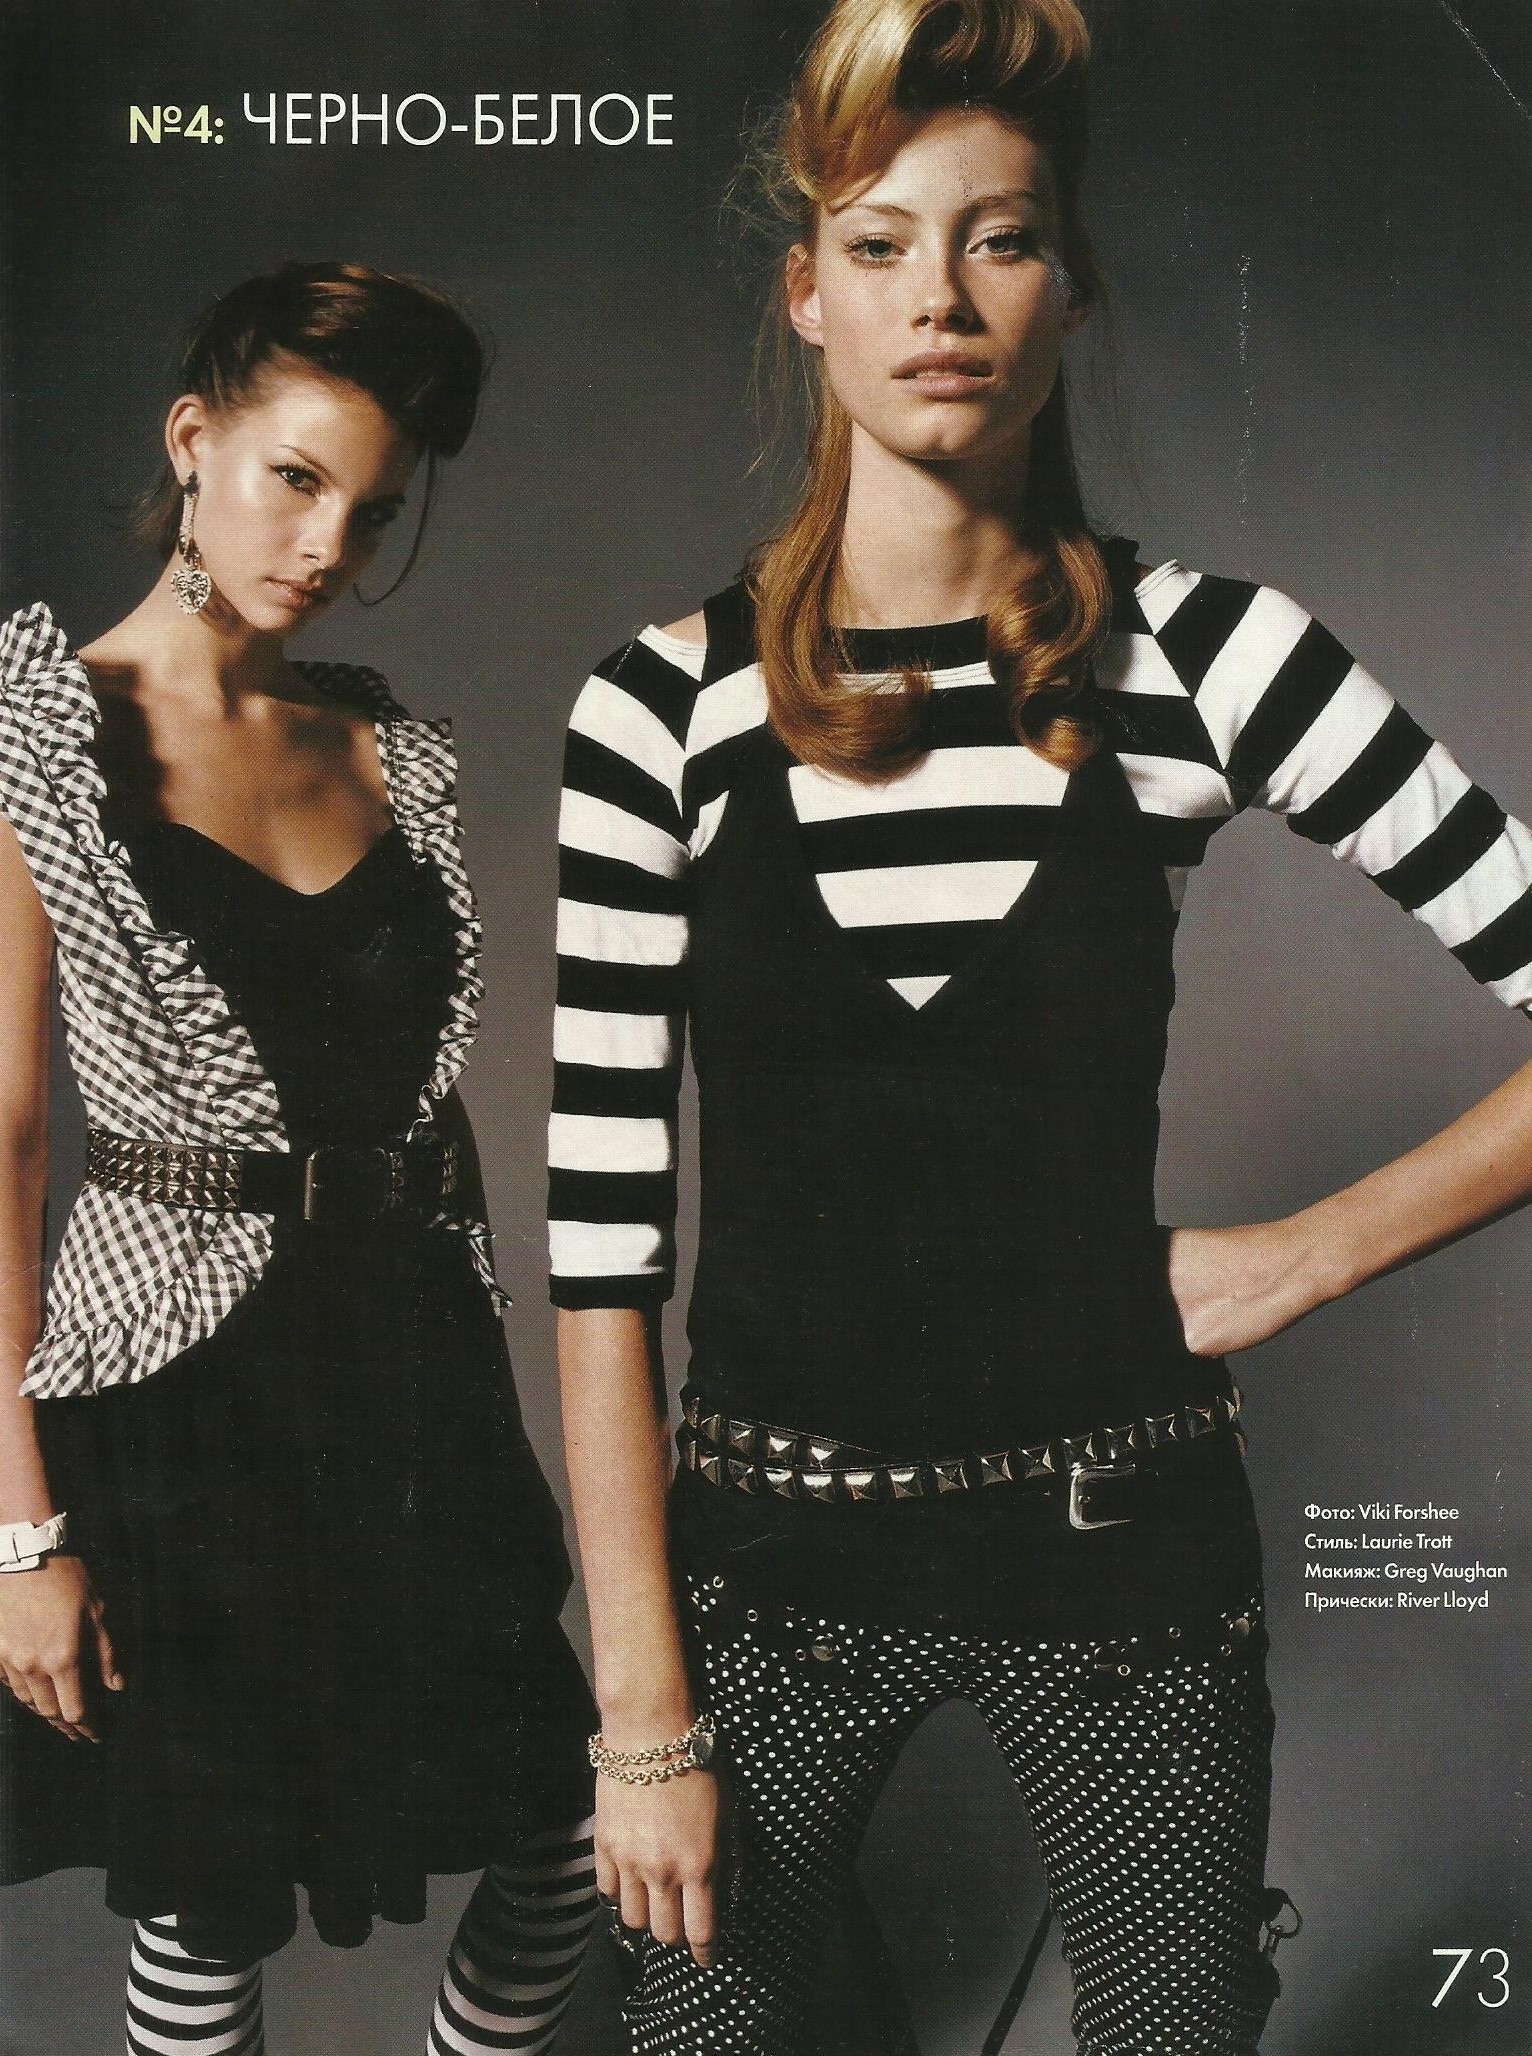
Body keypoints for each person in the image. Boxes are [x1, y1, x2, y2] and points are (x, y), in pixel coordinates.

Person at [547, 3, 1532, 2052]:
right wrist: (642, 1714)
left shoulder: (1209, 658)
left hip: (1118, 1557)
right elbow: (599, 1252)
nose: (942, 297)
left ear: (1069, 288)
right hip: (765, 1572)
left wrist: (1304, 1252)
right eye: (881, 243)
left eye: (1000, 239)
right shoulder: (660, 711)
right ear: (807, 292)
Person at [0, 262, 598, 2056]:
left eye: (376, 508)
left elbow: (428, 1093)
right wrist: (18, 1530)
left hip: (406, 1371)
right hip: (180, 1388)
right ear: (193, 442)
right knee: (205, 1903)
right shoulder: (41, 737)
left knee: (571, 1841)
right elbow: (3, 1144)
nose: (331, 543)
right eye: (295, 478)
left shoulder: (387, 747)